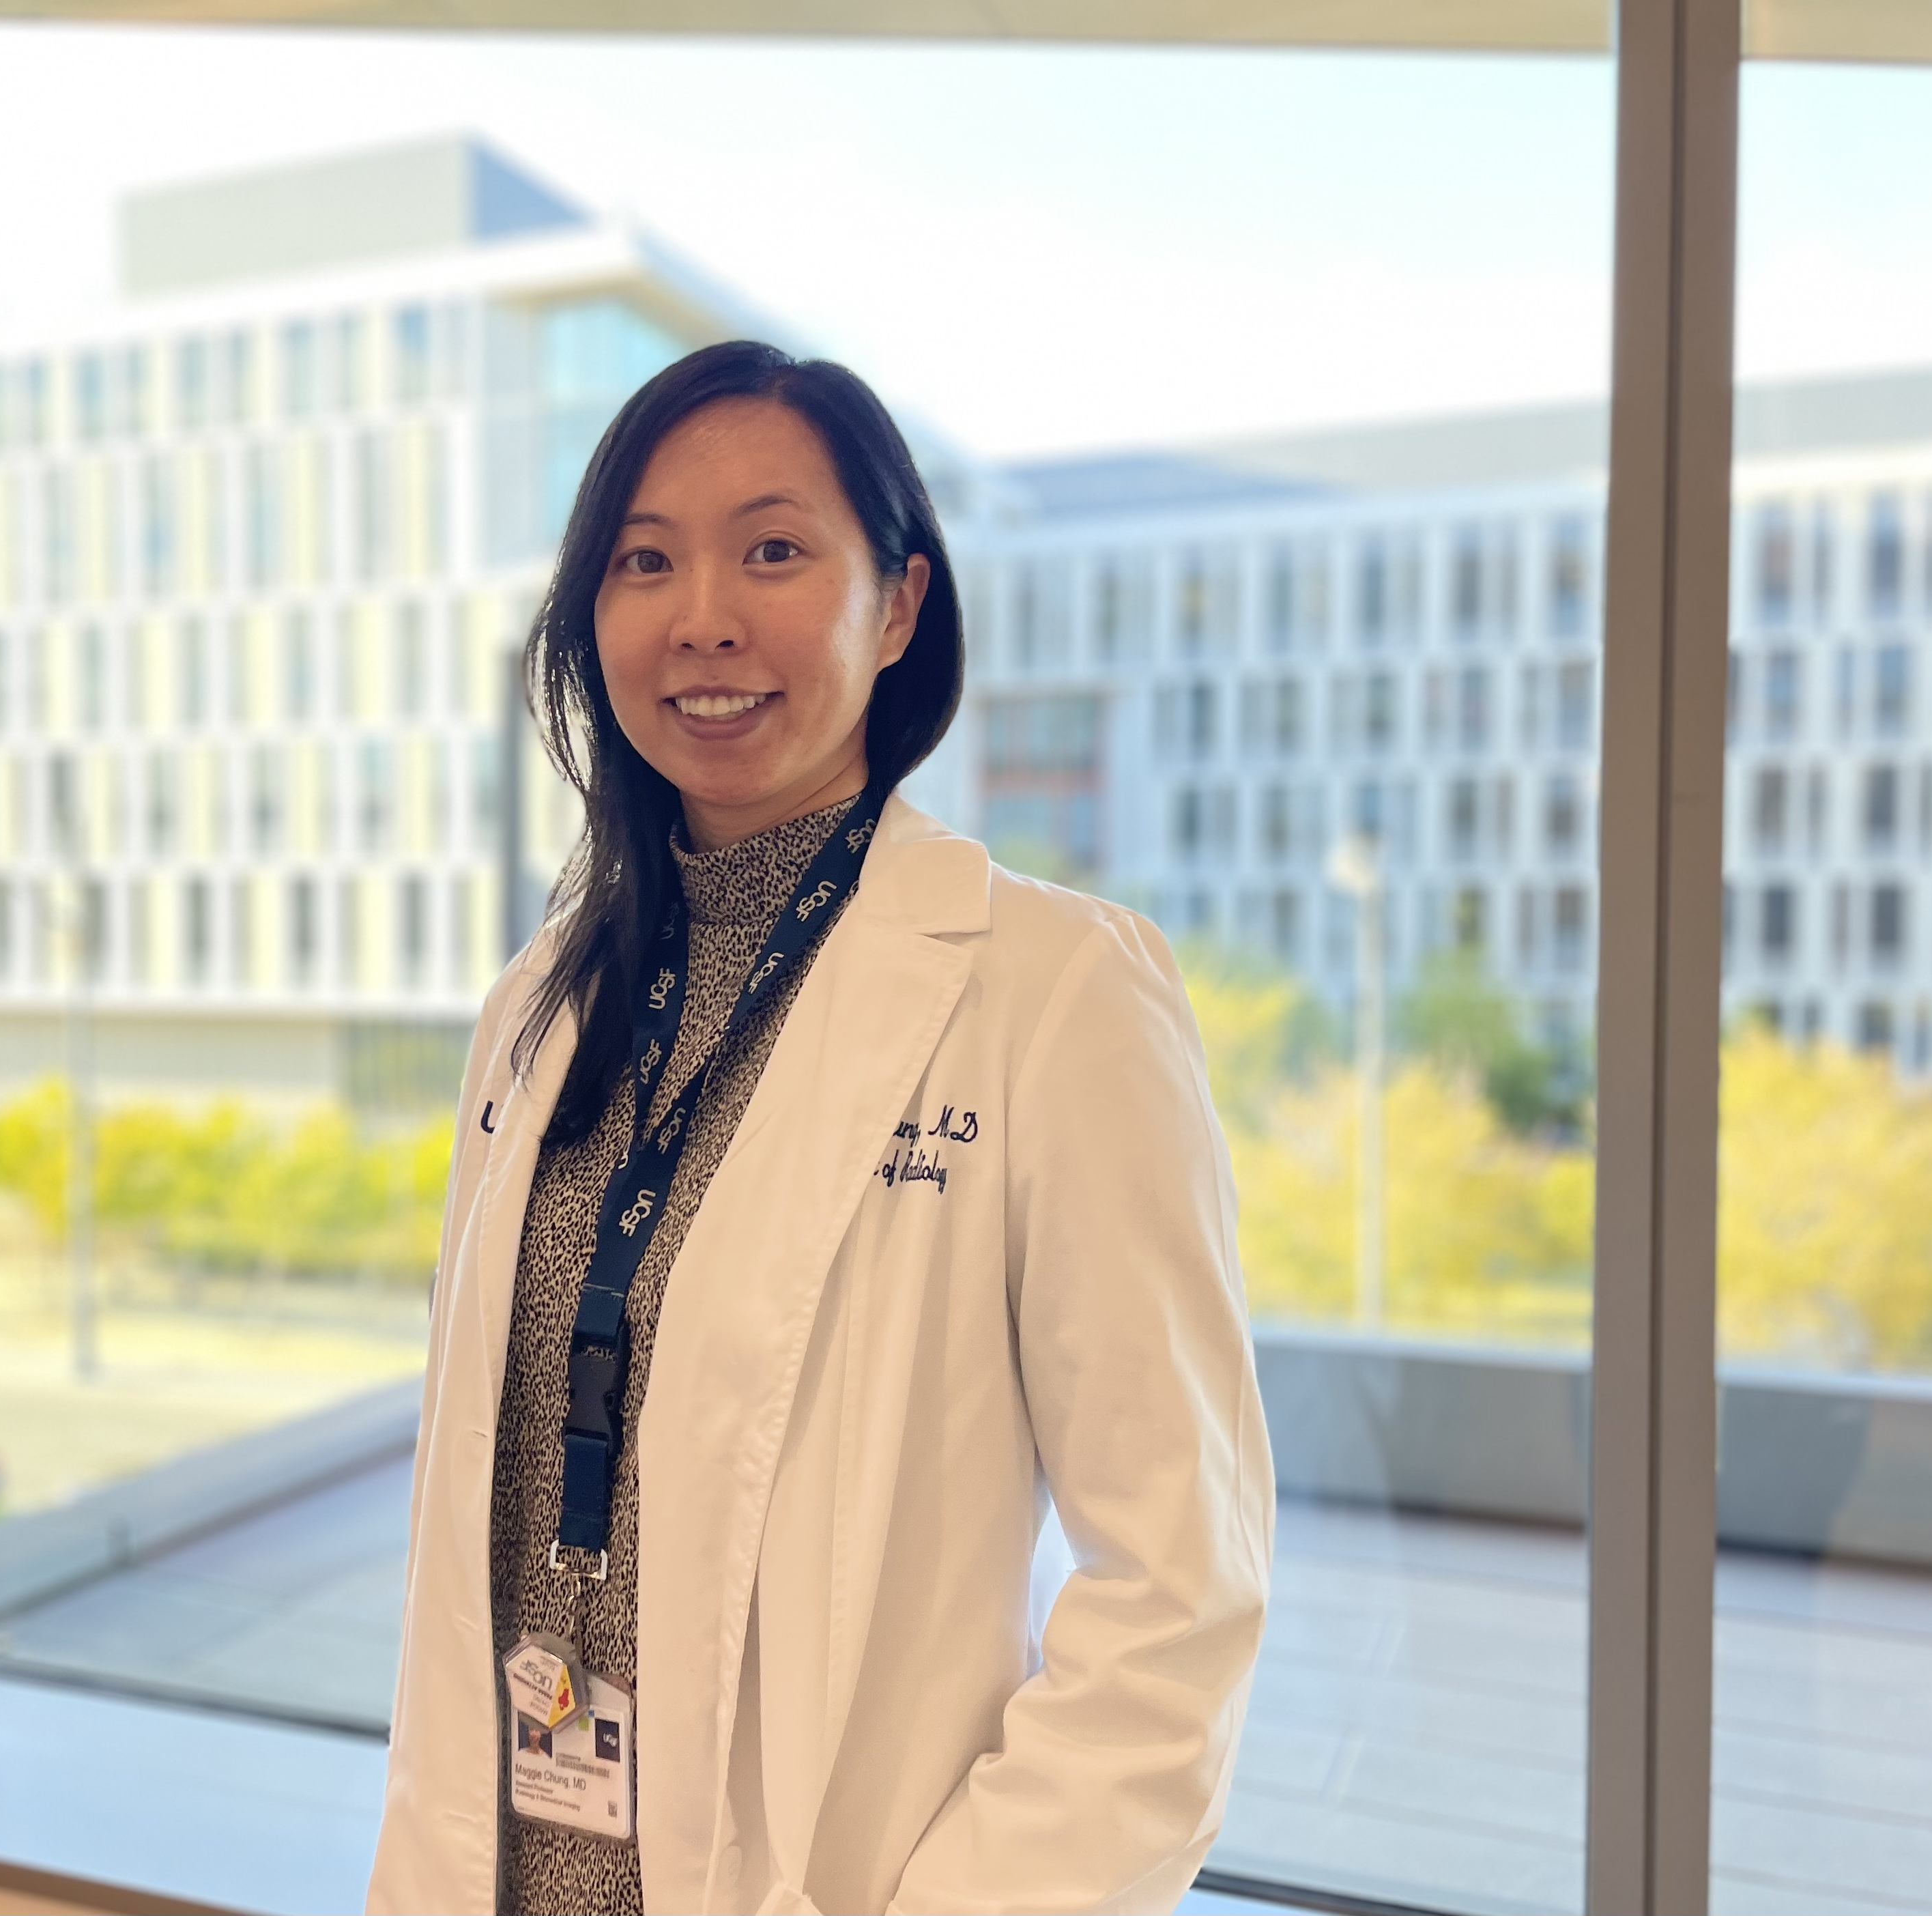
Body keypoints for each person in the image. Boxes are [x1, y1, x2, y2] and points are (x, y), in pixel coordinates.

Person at [368, 341, 1272, 1916]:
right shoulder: (539, 1004)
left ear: (899, 604)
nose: (703, 618)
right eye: (645, 561)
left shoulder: (1050, 991)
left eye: (773, 551)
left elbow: (1178, 1594)